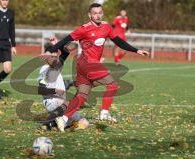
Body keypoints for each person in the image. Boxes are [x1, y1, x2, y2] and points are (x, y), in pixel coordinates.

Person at [45, 3, 150, 132]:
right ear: (90, 15)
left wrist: (136, 50)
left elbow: (119, 41)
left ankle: (64, 119)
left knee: (82, 95)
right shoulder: (84, 29)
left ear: (103, 13)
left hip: (83, 66)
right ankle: (104, 112)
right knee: (113, 85)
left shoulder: (106, 27)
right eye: (95, 13)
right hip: (89, 64)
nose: (98, 15)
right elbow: (65, 40)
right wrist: (52, 50)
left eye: (100, 12)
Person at [38, 38, 89, 131]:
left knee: (85, 123)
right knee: (69, 103)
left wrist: (72, 83)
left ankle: (55, 124)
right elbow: (40, 90)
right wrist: (55, 91)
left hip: (60, 105)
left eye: (55, 56)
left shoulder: (56, 68)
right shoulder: (46, 69)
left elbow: (66, 52)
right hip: (52, 102)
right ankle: (46, 122)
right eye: (51, 56)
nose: (54, 58)